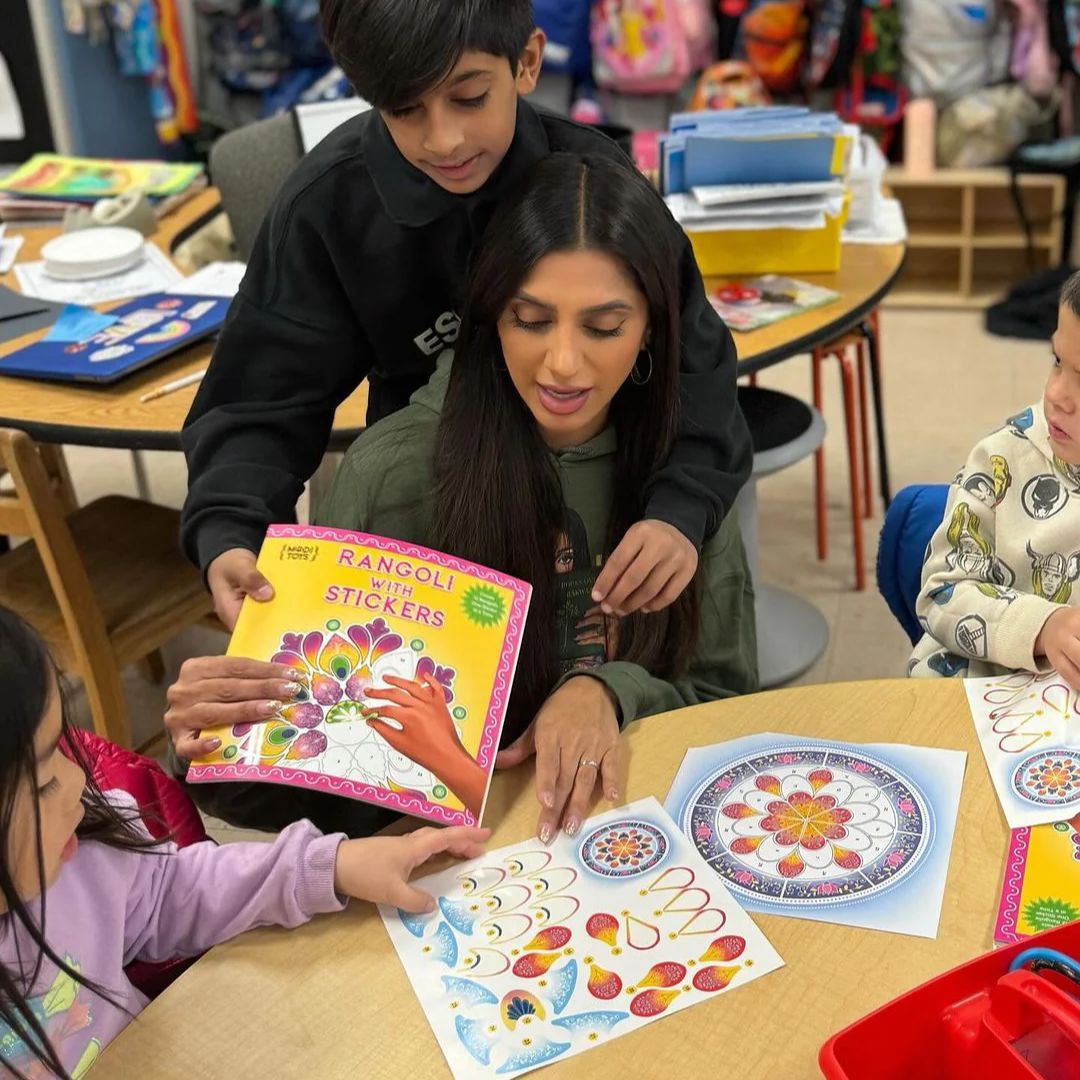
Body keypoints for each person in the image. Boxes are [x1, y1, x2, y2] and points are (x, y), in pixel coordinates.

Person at [167, 153, 759, 842]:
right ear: (487, 318)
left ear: (655, 325)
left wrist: (607, 691)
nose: (564, 363)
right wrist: (218, 736)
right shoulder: (393, 475)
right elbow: (324, 779)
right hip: (454, 863)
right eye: (531, 321)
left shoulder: (682, 477)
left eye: (603, 327)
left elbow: (728, 704)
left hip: (641, 829)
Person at [181, 0, 752, 634]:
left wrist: (679, 509)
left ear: (526, 62)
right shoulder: (329, 207)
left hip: (600, 513)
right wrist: (233, 529)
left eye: (470, 98)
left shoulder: (597, 186)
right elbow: (261, 398)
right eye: (404, 109)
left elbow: (695, 363)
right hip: (429, 515)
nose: (443, 139)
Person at [0, 607, 487, 1080]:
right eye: (43, 781)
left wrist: (329, 865)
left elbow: (172, 893)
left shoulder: (82, 861)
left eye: (63, 748)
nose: (79, 784)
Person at [910, 270, 1080, 685]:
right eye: (1058, 361)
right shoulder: (1004, 457)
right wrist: (1045, 627)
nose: (1057, 393)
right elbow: (940, 593)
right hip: (979, 697)